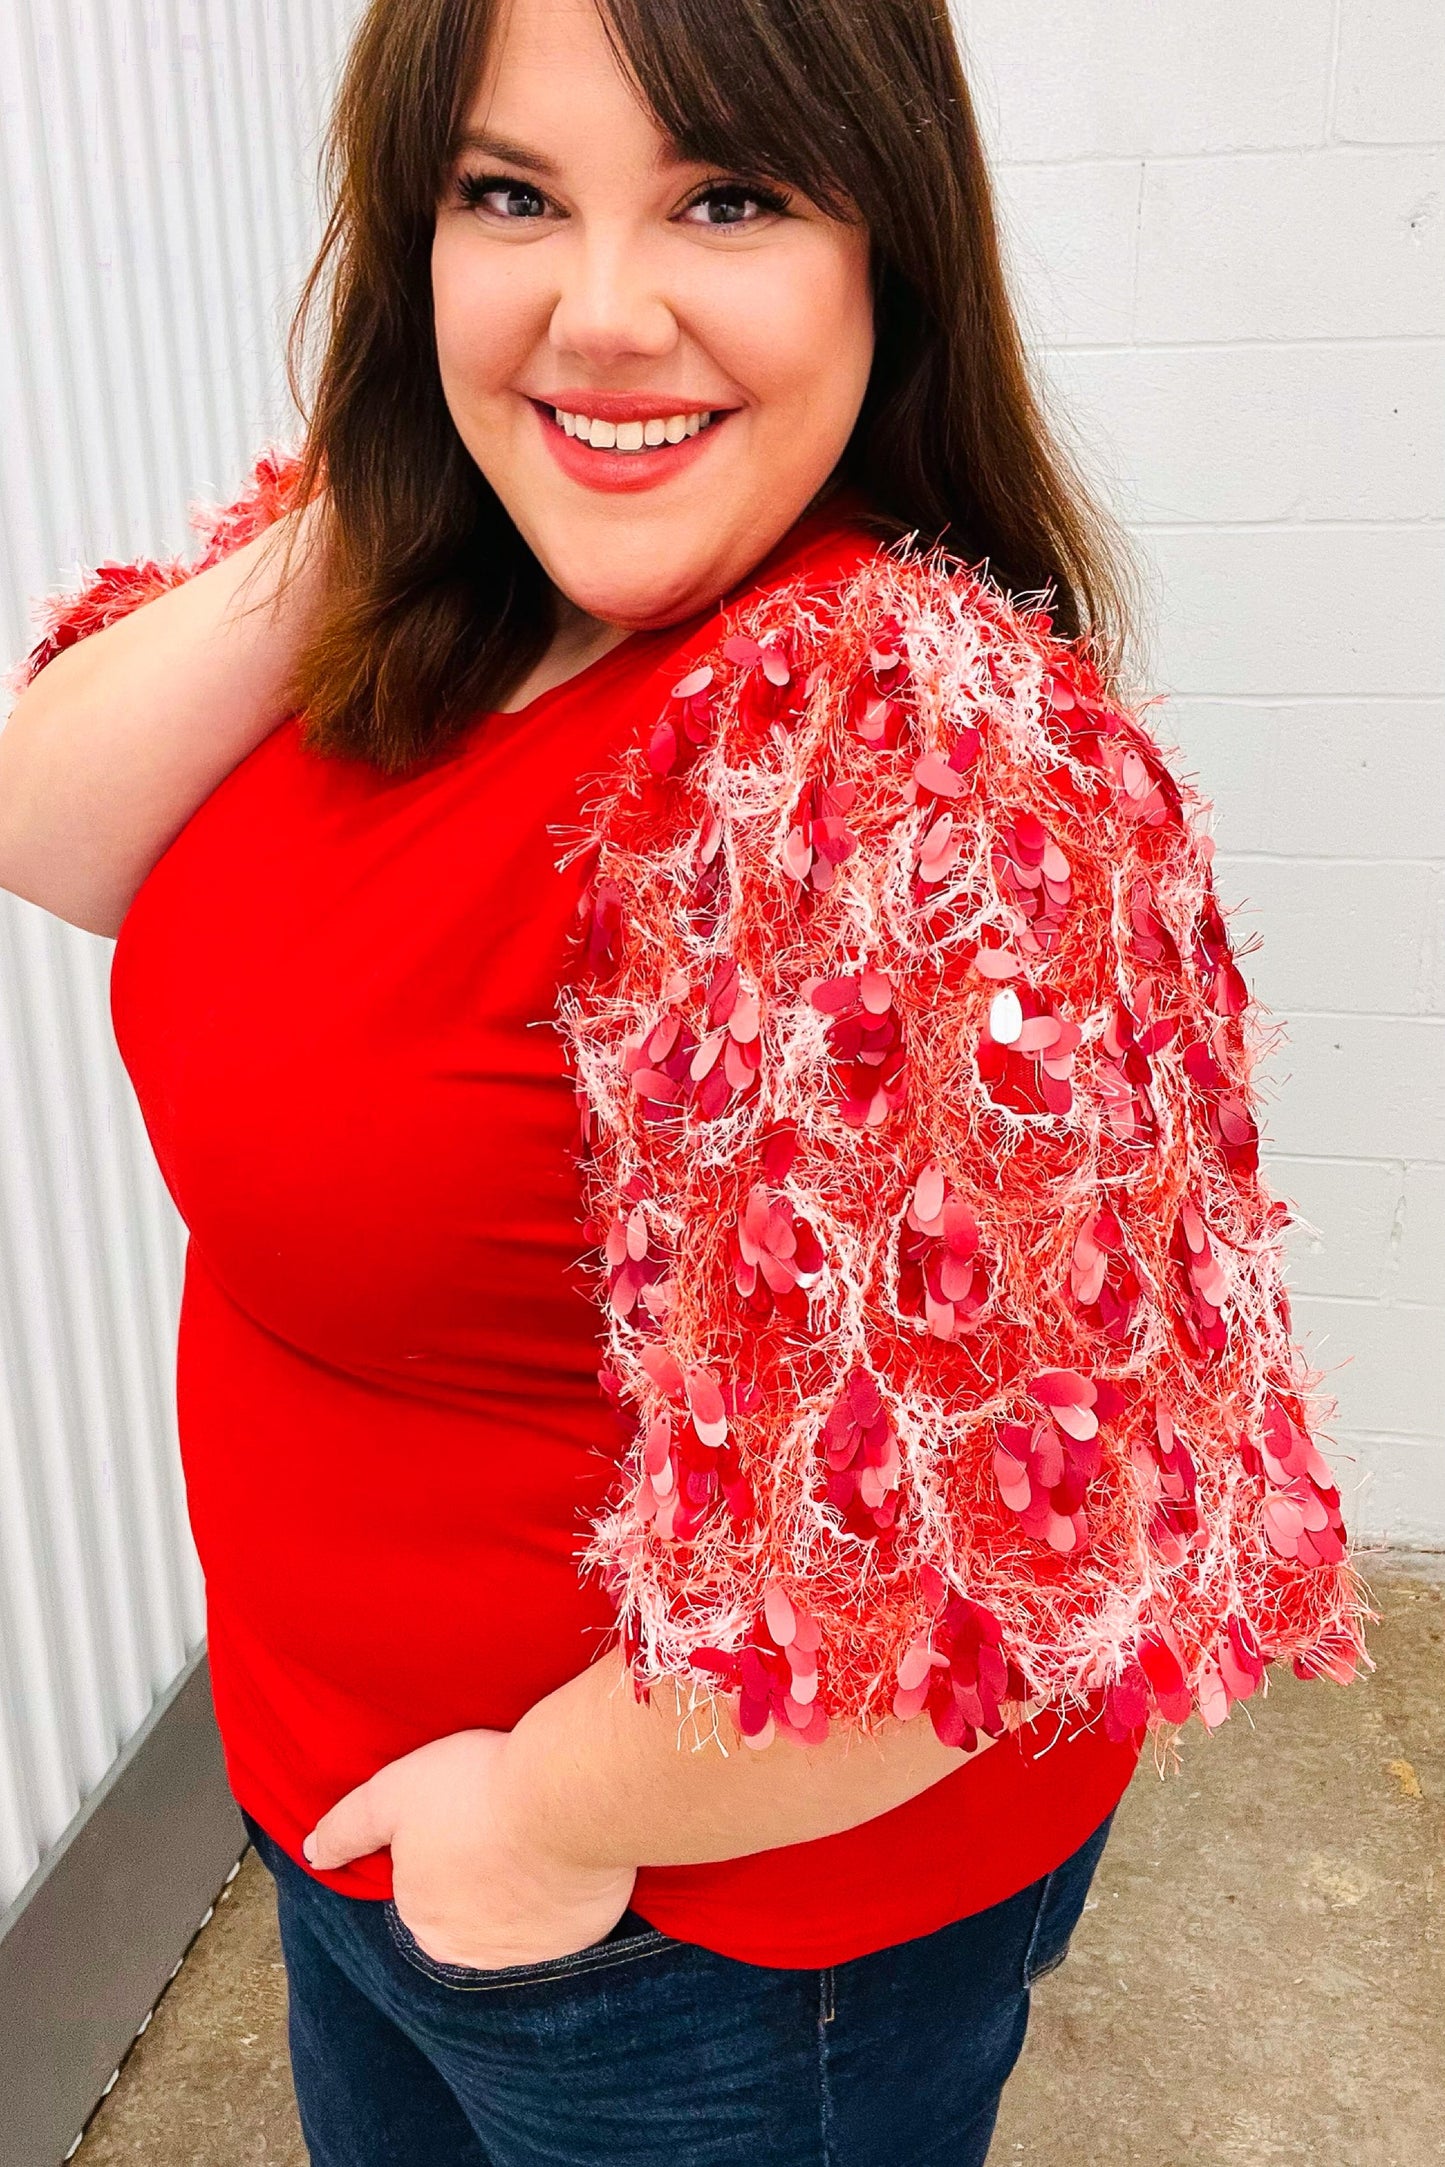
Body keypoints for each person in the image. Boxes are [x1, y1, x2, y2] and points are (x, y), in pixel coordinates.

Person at [0, 0, 1363, 2160]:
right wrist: (408, 467)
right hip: (361, 1807)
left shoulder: (925, 774)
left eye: (725, 196)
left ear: (880, 250)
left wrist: (537, 1825)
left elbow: (979, 1563)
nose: (607, 308)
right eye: (510, 197)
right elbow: (51, 820)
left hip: (687, 1926)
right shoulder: (417, 587)